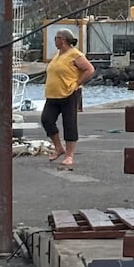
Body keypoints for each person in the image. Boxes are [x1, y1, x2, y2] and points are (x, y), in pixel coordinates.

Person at [41, 28, 94, 169]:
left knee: (69, 123)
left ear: (62, 40)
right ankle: (59, 147)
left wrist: (77, 83)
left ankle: (69, 155)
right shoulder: (58, 54)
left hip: (69, 94)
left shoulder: (75, 55)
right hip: (53, 95)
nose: (55, 41)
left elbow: (89, 69)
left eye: (56, 38)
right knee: (46, 119)